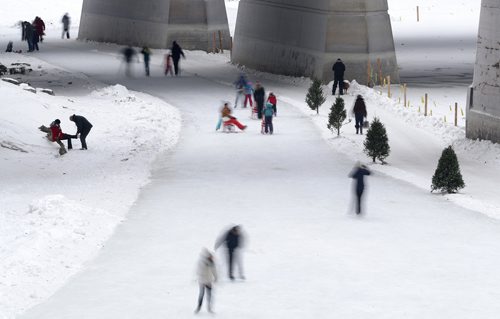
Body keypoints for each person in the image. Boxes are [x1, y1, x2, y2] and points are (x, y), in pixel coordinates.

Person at [195, 249, 217, 314]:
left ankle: (209, 308)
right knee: (202, 294)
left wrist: (216, 277)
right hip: (202, 281)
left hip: (208, 281)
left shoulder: (211, 261)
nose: (212, 257)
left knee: (209, 295)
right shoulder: (201, 262)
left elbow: (214, 270)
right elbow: (199, 271)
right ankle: (199, 307)